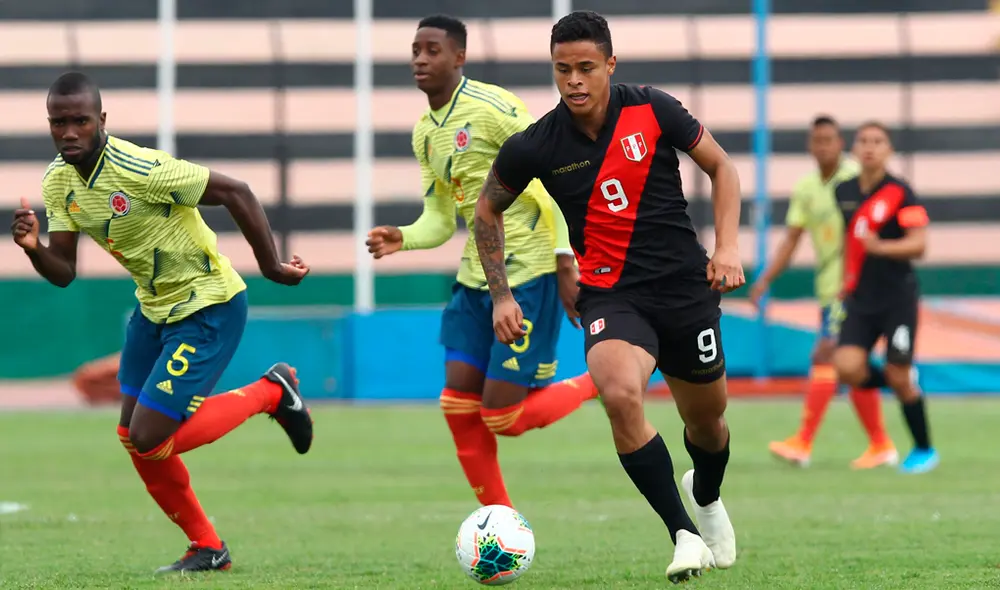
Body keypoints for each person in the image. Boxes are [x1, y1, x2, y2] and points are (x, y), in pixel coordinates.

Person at [11, 72, 315, 573]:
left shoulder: (141, 168)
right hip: (153, 312)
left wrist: (271, 267)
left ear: (101, 121)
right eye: (58, 122)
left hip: (208, 306)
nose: (69, 132)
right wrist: (33, 249)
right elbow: (64, 272)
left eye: (80, 121)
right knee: (134, 437)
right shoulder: (58, 181)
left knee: (152, 435)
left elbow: (236, 192)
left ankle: (272, 392)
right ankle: (207, 548)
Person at [473, 10, 740, 583]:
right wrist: (501, 296)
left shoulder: (652, 107)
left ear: (610, 65)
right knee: (618, 394)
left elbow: (722, 168)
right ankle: (683, 533)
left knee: (709, 425)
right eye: (562, 69)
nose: (573, 80)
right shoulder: (538, 144)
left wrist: (728, 248)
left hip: (685, 290)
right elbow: (486, 209)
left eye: (585, 68)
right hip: (611, 295)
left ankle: (708, 496)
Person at [365, 15, 597, 509]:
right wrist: (401, 237)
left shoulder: (493, 108)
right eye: (415, 51)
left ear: (459, 57)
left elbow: (553, 174)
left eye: (432, 50)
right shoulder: (425, 132)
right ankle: (501, 524)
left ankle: (602, 380)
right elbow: (441, 218)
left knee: (503, 417)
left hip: (530, 272)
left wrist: (564, 257)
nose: (420, 60)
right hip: (477, 280)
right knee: (456, 405)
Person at [752, 116, 896, 469]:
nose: (823, 147)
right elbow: (792, 239)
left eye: (830, 140)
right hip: (829, 289)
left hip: (854, 288)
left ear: (841, 143)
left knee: (825, 356)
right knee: (851, 365)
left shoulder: (857, 179)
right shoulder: (806, 188)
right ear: (809, 145)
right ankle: (880, 444)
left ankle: (803, 442)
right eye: (817, 140)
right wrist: (765, 279)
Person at [832, 121, 938, 474]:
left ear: (889, 149)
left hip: (897, 299)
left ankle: (924, 449)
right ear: (854, 148)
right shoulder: (844, 191)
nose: (870, 147)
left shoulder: (901, 192)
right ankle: (900, 377)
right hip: (860, 299)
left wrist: (883, 246)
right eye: (863, 141)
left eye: (878, 141)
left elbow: (919, 244)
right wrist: (844, 278)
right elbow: (849, 239)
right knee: (846, 367)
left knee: (899, 374)